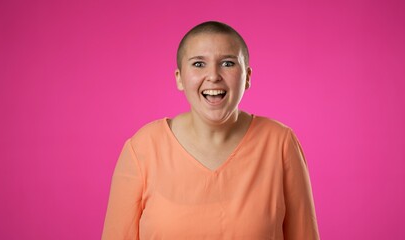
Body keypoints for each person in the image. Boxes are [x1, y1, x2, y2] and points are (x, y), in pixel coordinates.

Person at [102, 21, 320, 240]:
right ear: (179, 78)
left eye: (227, 63)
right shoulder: (142, 148)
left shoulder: (280, 143)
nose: (213, 75)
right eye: (198, 64)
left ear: (248, 77)